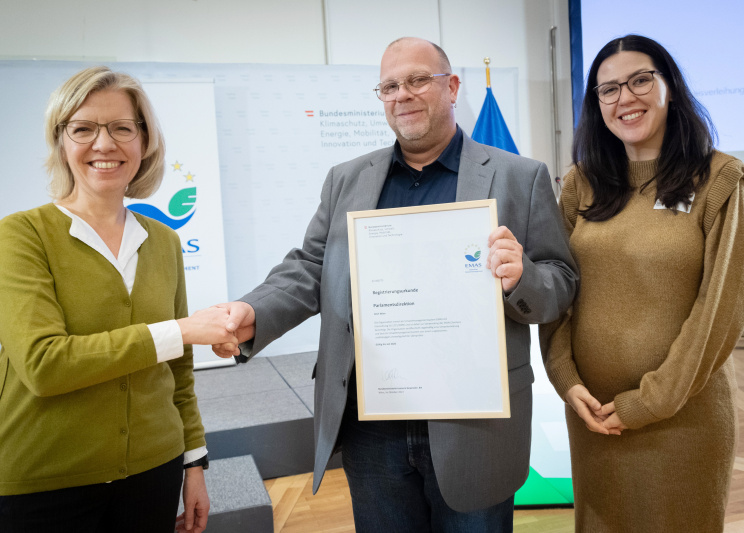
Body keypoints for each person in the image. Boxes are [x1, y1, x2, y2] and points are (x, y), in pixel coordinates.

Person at [213, 37, 578, 531]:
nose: (402, 94)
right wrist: (253, 311)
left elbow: (561, 280)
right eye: (389, 86)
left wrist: (523, 277)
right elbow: (311, 267)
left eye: (417, 80)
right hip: (372, 427)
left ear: (452, 87)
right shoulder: (346, 180)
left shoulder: (520, 176)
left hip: (475, 423)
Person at [0, 66, 236, 533]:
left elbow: (178, 374)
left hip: (154, 472)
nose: (104, 144)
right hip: (43, 480)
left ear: (144, 141)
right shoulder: (22, 234)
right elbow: (43, 365)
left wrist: (194, 463)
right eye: (83, 129)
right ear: (61, 141)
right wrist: (180, 330)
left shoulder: (163, 240)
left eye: (122, 128)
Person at [541, 34, 744, 532]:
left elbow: (720, 310)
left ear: (670, 85)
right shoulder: (582, 182)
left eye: (639, 81)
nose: (625, 98)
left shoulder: (720, 179)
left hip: (682, 418)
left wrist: (649, 402)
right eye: (608, 89)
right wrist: (565, 378)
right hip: (593, 416)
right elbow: (560, 288)